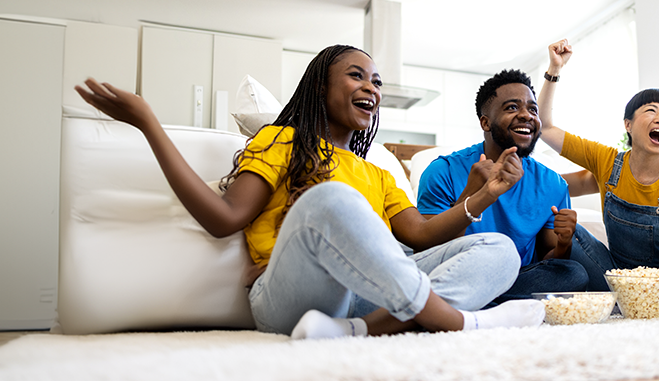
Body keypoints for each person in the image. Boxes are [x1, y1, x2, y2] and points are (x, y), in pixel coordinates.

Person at [74, 45, 544, 340]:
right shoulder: (281, 141)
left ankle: (355, 331)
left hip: (365, 298)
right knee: (332, 198)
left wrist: (484, 196)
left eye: (377, 82)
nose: (372, 88)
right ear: (321, 86)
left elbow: (420, 235)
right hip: (293, 297)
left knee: (499, 249)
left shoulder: (375, 172)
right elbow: (223, 219)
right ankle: (457, 322)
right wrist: (149, 125)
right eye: (357, 76)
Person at [415, 69, 615, 301]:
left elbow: (549, 258)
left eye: (533, 109)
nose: (527, 115)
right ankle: (467, 301)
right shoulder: (443, 171)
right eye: (512, 107)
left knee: (573, 274)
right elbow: (426, 252)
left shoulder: (553, 184)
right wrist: (472, 193)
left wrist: (564, 241)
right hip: (456, 273)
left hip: (516, 278)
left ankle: (464, 302)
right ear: (485, 122)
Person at [536, 39, 659, 271]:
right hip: (613, 274)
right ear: (628, 124)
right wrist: (554, 69)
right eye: (651, 110)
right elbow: (545, 128)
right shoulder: (605, 160)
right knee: (573, 232)